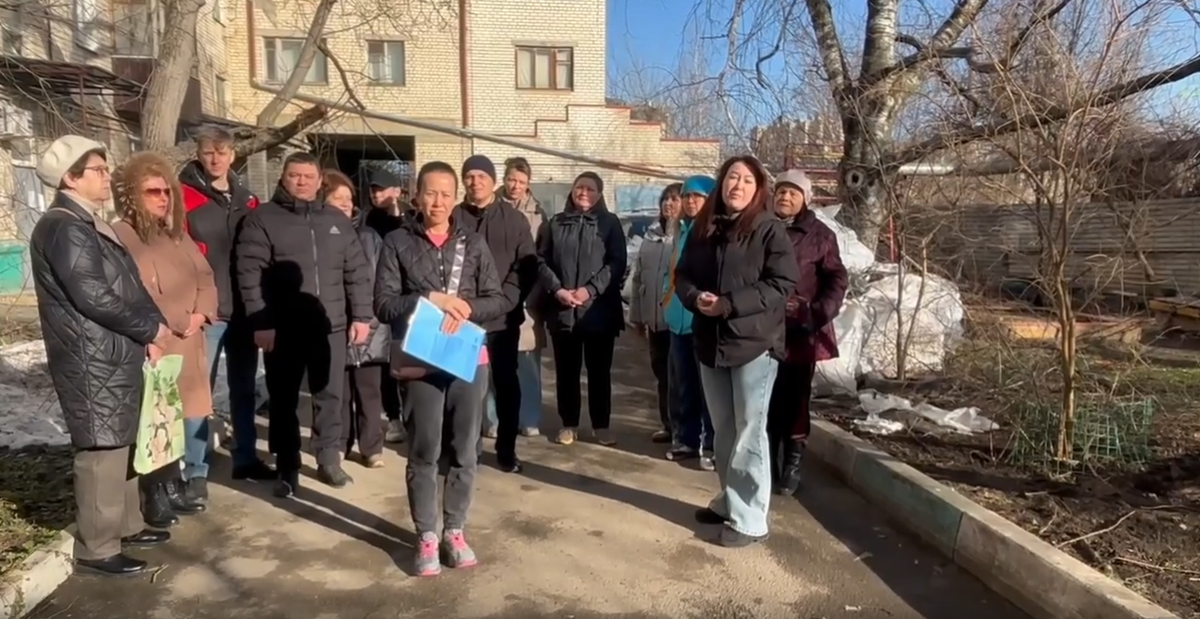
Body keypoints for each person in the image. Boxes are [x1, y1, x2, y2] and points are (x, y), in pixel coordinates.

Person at [29, 135, 172, 576]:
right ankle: (97, 548)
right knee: (101, 450)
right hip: (91, 356)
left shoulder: (89, 221)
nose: (107, 176)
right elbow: (92, 294)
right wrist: (148, 326)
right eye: (97, 169)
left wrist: (153, 325)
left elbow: (127, 284)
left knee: (120, 441)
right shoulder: (63, 225)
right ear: (71, 178)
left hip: (113, 350)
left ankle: (125, 526)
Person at [374, 160, 508, 576]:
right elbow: (383, 304)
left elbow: (497, 299)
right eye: (430, 193)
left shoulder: (474, 242)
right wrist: (427, 298)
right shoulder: (397, 242)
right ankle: (426, 535)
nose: (437, 201)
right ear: (416, 196)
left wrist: (469, 307)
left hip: (468, 359)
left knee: (466, 450)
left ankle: (455, 529)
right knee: (425, 449)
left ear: (456, 198)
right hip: (421, 361)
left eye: (446, 194)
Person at [673, 155, 799, 547]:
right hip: (711, 342)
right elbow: (683, 275)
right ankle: (730, 500)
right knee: (724, 431)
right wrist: (695, 298)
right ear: (721, 184)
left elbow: (782, 283)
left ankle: (750, 519)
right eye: (731, 177)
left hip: (754, 345)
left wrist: (729, 304)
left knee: (749, 432)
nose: (737, 186)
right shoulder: (704, 228)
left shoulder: (768, 229)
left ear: (758, 188)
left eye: (746, 180)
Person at [235, 152, 374, 498]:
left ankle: (329, 458)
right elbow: (249, 274)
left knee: (330, 395)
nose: (302, 182)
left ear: (318, 180)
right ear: (283, 177)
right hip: (281, 329)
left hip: (331, 326)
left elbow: (356, 272)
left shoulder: (336, 221)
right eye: (295, 175)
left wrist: (361, 316)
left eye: (308, 176)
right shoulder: (262, 219)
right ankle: (287, 466)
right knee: (283, 400)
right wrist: (261, 322)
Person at [112, 152, 215, 527]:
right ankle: (153, 494)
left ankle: (174, 486)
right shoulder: (122, 234)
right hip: (153, 342)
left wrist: (201, 314)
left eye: (167, 191)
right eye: (152, 191)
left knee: (178, 419)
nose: (162, 198)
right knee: (153, 421)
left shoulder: (176, 234)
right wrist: (173, 322)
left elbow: (205, 276)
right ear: (131, 196)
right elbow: (135, 291)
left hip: (188, 340)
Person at [179, 125, 273, 493]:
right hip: (206, 313)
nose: (216, 158)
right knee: (197, 392)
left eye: (222, 151)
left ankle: (245, 457)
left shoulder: (247, 200)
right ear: (199, 155)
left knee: (244, 389)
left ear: (233, 154)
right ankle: (195, 471)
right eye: (208, 152)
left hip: (244, 313)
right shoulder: (182, 196)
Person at [453, 154, 536, 473]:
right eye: (470, 176)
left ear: (493, 180)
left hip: (502, 318)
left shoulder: (513, 220)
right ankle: (461, 448)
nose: (475, 182)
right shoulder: (454, 217)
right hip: (461, 319)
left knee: (505, 384)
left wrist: (508, 300)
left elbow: (526, 265)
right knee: (462, 386)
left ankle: (506, 449)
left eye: (481, 176)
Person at [769, 170, 847, 496]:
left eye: (793, 193)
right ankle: (768, 462)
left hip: (801, 332)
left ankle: (793, 463)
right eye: (781, 191)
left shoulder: (820, 235)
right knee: (765, 399)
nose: (785, 198)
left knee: (796, 399)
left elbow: (837, 279)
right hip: (762, 330)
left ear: (805, 198)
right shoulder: (762, 227)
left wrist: (816, 313)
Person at [537, 172, 627, 446]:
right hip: (564, 311)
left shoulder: (610, 224)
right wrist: (558, 290)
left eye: (590, 188)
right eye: (579, 187)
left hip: (599, 311)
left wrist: (590, 289)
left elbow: (617, 263)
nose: (584, 192)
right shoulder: (556, 223)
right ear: (572, 191)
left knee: (599, 373)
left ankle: (602, 426)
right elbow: (541, 261)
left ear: (599, 194)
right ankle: (569, 424)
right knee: (567, 373)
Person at [325, 169, 389, 468]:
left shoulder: (368, 237)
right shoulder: (317, 235)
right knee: (338, 391)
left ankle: (371, 446)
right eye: (337, 199)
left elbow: (380, 283)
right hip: (333, 326)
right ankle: (340, 442)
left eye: (348, 199)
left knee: (369, 391)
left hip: (368, 326)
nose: (345, 205)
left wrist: (369, 321)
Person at [483, 156, 547, 438]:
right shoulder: (488, 207)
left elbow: (541, 257)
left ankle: (528, 417)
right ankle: (492, 419)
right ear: (503, 179)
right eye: (511, 179)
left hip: (527, 295)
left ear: (528, 184)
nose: (515, 186)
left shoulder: (539, 214)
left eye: (521, 182)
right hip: (491, 294)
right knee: (490, 358)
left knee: (527, 361)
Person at [664, 176, 717, 469]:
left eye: (697, 196)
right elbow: (672, 275)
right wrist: (665, 303)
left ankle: (710, 444)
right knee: (683, 384)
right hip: (677, 320)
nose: (690, 202)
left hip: (703, 321)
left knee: (708, 388)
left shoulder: (713, 232)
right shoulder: (681, 230)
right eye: (686, 196)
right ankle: (685, 438)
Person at [628, 183, 681, 444]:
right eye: (665, 199)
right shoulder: (651, 236)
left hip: (679, 322)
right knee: (662, 375)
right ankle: (668, 425)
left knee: (681, 377)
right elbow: (639, 279)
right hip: (654, 321)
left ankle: (686, 431)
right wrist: (636, 316)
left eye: (675, 199)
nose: (669, 204)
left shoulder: (687, 236)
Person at [361, 167, 409, 445]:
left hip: (405, 300)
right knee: (384, 362)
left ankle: (410, 414)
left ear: (397, 192)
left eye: (382, 189)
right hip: (377, 299)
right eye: (373, 190)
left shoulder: (409, 218)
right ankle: (393, 418)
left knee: (406, 359)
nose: (377, 194)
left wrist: (397, 216)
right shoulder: (367, 219)